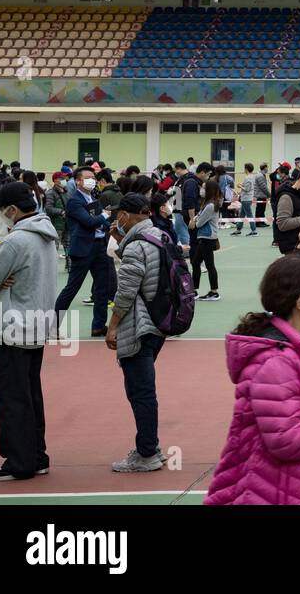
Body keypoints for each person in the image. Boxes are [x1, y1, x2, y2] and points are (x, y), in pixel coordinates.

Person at [205, 254, 300, 504]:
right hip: (271, 488)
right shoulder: (276, 363)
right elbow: (285, 440)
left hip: (289, 483)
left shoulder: (294, 349)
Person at [0, 182, 59, 482]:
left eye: (4, 212)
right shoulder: (46, 234)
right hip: (37, 324)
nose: (3, 217)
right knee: (30, 395)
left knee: (11, 397)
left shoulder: (16, 241)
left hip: (14, 326)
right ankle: (36, 456)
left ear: (13, 210)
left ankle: (18, 462)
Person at [102, 193, 174, 473]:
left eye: (116, 215)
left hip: (139, 326)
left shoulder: (137, 247)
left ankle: (147, 453)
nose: (114, 220)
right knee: (143, 388)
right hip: (160, 323)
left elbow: (127, 290)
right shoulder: (159, 235)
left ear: (124, 216)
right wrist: (122, 243)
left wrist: (113, 325)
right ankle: (150, 447)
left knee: (140, 391)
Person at [56, 166, 114, 338]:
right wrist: (104, 216)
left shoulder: (92, 198)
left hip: (100, 247)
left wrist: (107, 222)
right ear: (78, 181)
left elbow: (100, 223)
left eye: (93, 177)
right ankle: (52, 326)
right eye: (88, 177)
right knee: (72, 288)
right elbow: (89, 222)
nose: (92, 180)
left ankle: (98, 326)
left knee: (102, 288)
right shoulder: (75, 201)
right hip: (83, 249)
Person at [191, 177, 223, 302]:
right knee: (195, 262)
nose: (201, 189)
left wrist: (194, 221)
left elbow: (198, 223)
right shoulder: (208, 203)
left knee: (209, 265)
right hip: (205, 237)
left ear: (209, 190)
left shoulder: (210, 206)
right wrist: (195, 219)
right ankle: (194, 290)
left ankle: (214, 292)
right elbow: (198, 217)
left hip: (207, 237)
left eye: (204, 188)